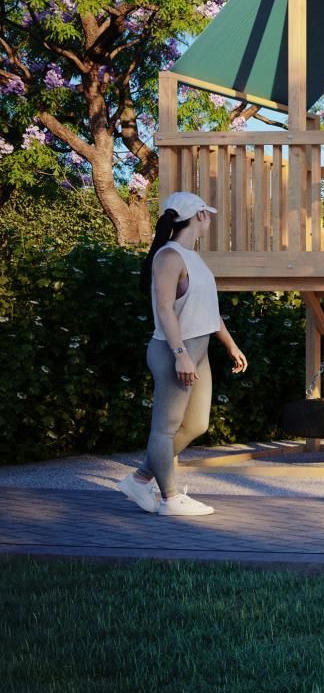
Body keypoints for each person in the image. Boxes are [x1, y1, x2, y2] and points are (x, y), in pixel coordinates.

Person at [113, 192, 249, 516]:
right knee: (165, 428)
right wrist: (180, 354)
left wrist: (230, 345)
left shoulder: (193, 258)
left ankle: (140, 479)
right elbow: (164, 310)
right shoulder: (169, 257)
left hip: (197, 353)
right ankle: (170, 498)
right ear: (199, 216)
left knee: (197, 424)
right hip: (174, 351)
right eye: (208, 213)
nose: (210, 218)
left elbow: (209, 310)